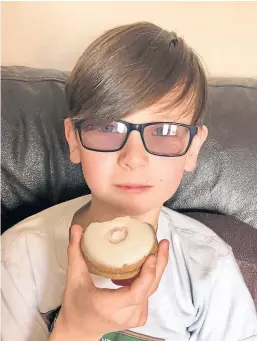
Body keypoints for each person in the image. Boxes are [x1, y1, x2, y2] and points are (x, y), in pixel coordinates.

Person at [1, 22, 257, 341]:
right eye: (108, 128)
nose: (133, 158)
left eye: (164, 131)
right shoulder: (19, 256)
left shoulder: (210, 268)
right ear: (74, 140)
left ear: (192, 149)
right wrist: (75, 330)